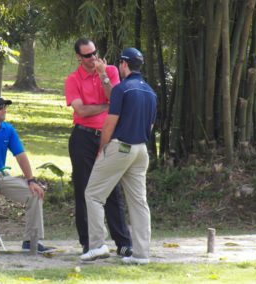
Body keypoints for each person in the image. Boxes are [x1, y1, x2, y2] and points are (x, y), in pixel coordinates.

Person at [80, 47, 157, 264]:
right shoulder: (151, 92)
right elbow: (150, 127)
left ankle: (97, 245)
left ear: (123, 64)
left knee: (93, 194)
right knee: (139, 202)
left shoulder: (122, 89)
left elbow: (109, 125)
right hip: (141, 150)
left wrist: (102, 150)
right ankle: (141, 255)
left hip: (121, 147)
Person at [64, 38, 132, 256]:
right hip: (83, 137)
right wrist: (105, 106)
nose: (92, 58)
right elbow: (81, 111)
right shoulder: (73, 79)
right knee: (84, 189)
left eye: (94, 53)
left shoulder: (110, 71)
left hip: (108, 136)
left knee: (113, 188)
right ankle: (90, 243)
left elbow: (115, 97)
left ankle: (123, 242)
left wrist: (103, 76)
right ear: (78, 57)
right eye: (87, 56)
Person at [0, 94, 55, 255]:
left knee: (34, 194)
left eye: (5, 107)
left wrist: (31, 180)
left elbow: (20, 155)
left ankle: (31, 241)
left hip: (1, 175)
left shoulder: (8, 129)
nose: (4, 110)